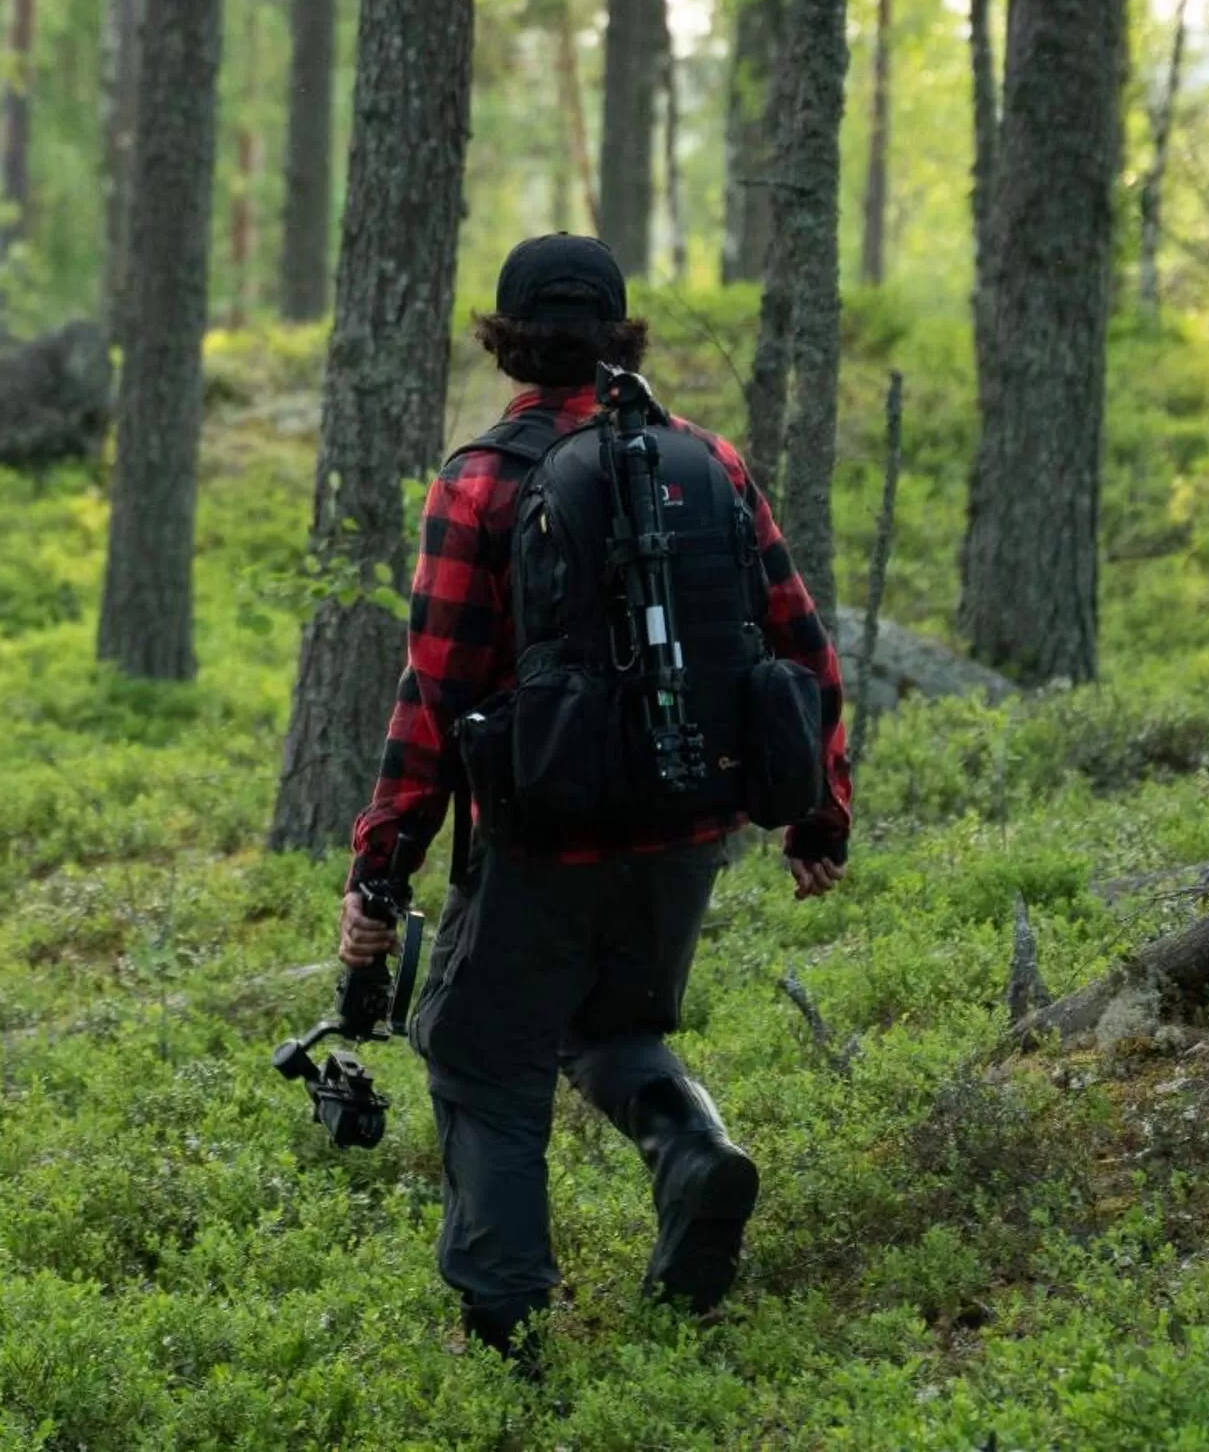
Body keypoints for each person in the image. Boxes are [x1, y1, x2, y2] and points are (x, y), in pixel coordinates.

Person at [338, 233, 852, 1366]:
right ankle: (694, 1153)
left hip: (541, 837)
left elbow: (434, 700)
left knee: (480, 1058)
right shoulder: (706, 458)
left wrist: (380, 867)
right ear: (619, 335)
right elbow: (802, 645)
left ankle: (507, 1334)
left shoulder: (478, 481)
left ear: (507, 342)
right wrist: (820, 814)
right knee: (615, 1025)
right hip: (688, 825)